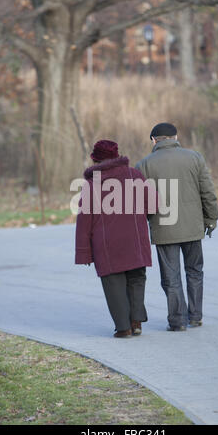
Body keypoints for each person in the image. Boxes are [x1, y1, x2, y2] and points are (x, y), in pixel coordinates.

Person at [136, 123, 218, 331]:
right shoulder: (195, 158)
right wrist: (211, 219)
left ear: (153, 140)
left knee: (171, 277)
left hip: (164, 228)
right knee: (195, 271)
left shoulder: (143, 165)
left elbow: (140, 203)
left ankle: (177, 321)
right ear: (175, 137)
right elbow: (207, 191)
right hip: (193, 226)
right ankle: (196, 316)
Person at [75, 140, 156, 338]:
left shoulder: (92, 185)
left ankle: (123, 327)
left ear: (96, 159)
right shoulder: (134, 175)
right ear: (117, 155)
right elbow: (153, 205)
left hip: (107, 245)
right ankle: (136, 322)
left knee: (113, 283)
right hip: (135, 240)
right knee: (136, 279)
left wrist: (84, 253)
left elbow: (84, 222)